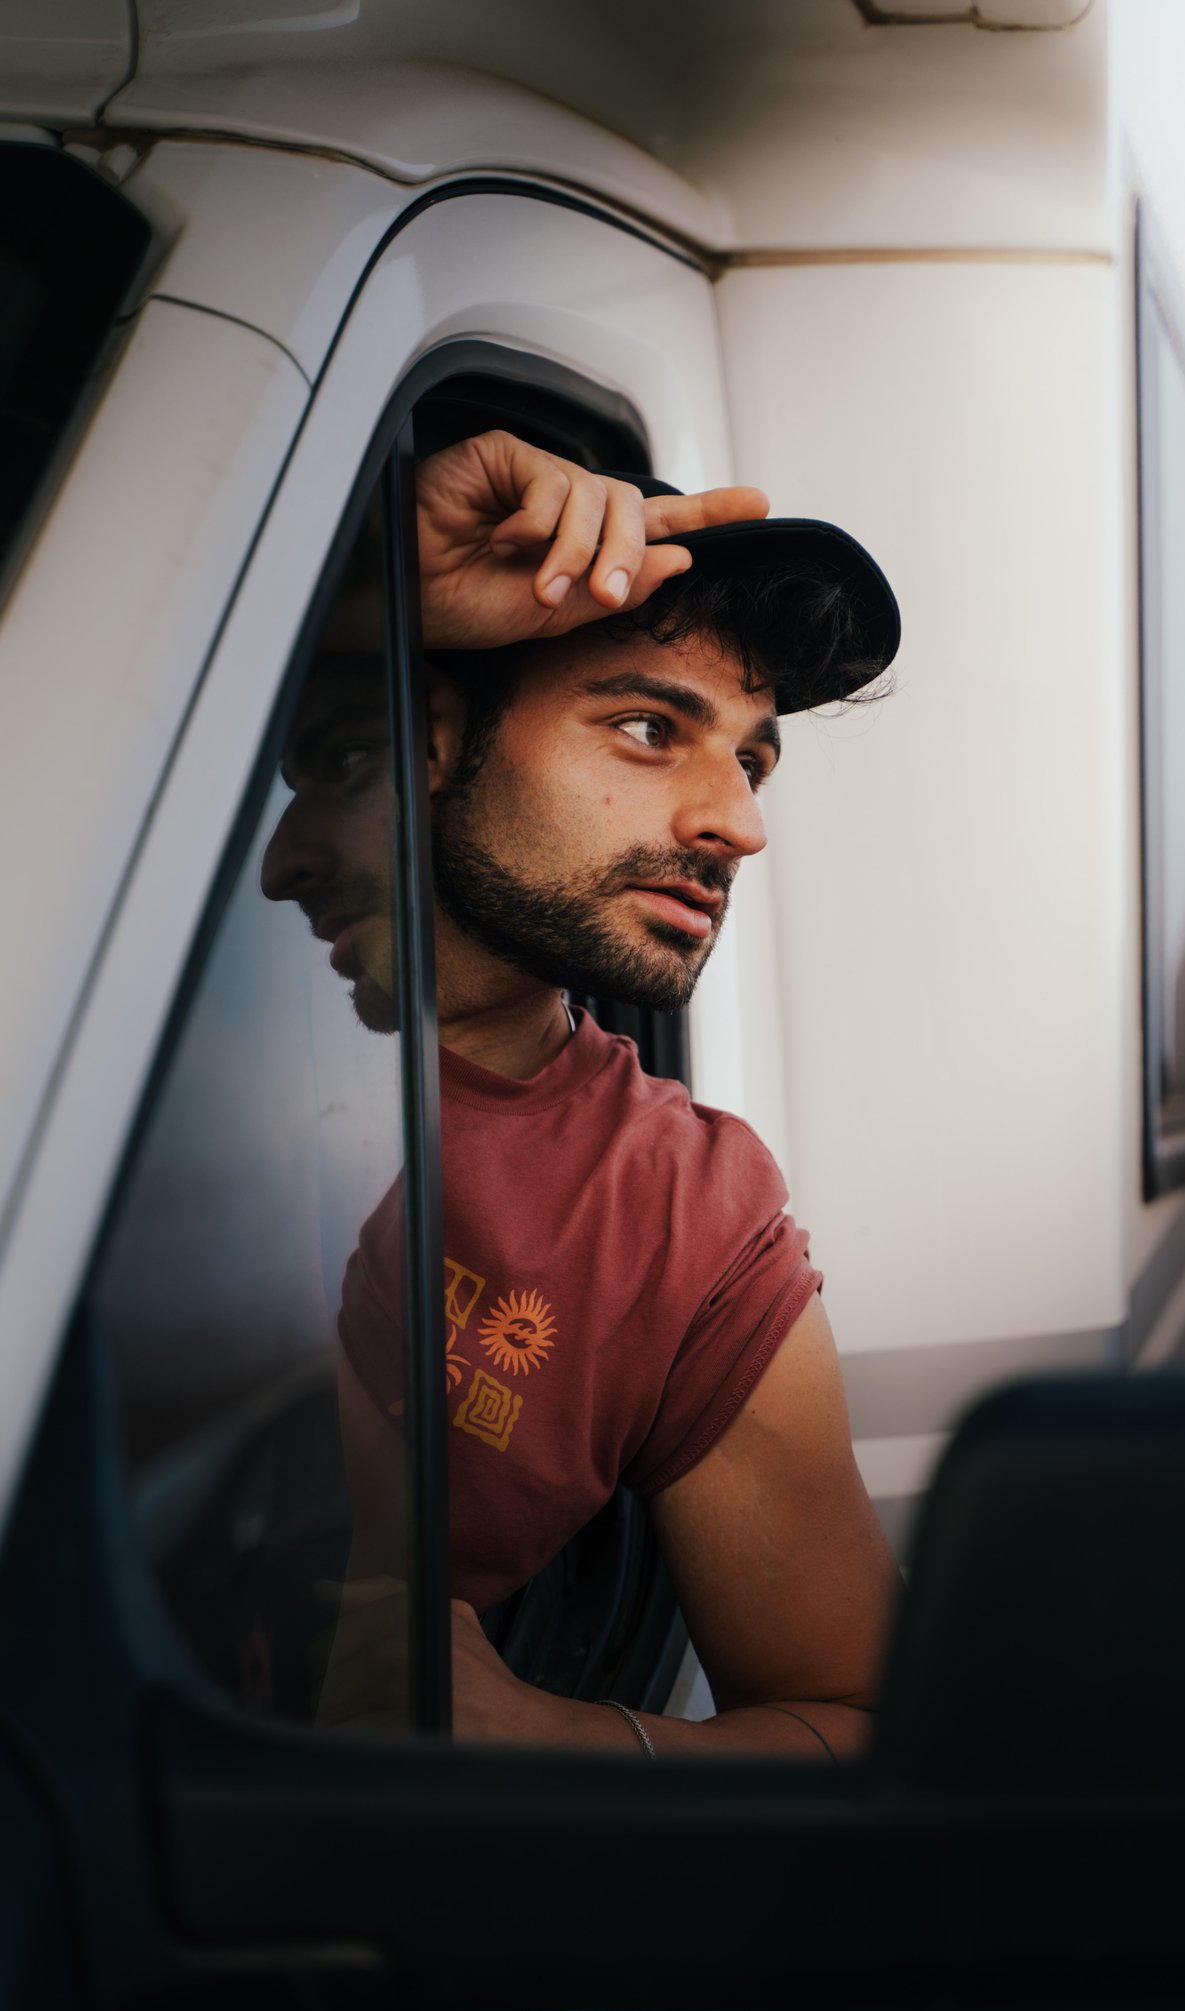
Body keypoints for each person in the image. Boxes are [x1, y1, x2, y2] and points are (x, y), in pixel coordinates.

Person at [261, 430, 902, 1759]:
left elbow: (859, 1726)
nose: (737, 822)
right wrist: (365, 601)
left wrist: (552, 1739)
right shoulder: (157, 978)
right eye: (647, 728)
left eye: (751, 760)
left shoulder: (681, 1213)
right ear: (431, 734)